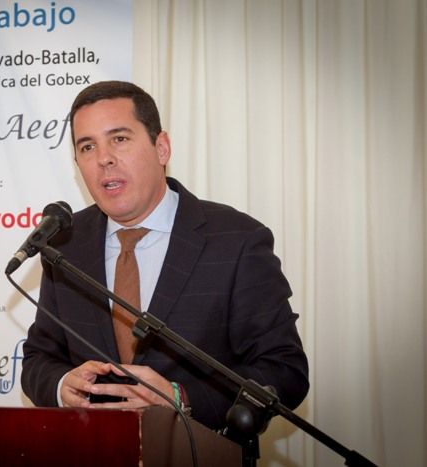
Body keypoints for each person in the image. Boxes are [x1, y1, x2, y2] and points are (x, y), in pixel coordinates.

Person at [21, 80, 309, 430]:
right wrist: (62, 385)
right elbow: (39, 358)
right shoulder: (66, 243)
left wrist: (181, 398)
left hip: (198, 450)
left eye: (119, 139)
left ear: (161, 148)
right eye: (87, 146)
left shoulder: (236, 241)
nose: (103, 158)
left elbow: (284, 370)